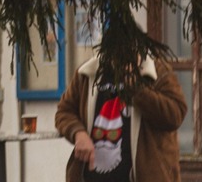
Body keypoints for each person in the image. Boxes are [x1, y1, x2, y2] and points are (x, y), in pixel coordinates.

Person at [54, 49, 187, 182]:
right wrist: (78, 133)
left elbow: (175, 115)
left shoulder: (157, 72)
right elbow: (64, 111)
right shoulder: (89, 72)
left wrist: (137, 89)